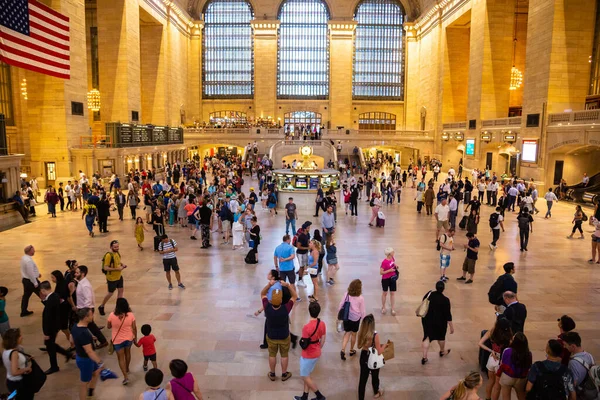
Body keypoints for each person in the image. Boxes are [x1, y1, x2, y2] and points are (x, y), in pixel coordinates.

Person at [261, 281, 297, 382]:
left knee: (272, 354)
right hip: (284, 335)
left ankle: (272, 374)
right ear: (281, 300)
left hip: (271, 336)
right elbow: (294, 296)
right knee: (284, 355)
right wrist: (288, 286)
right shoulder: (286, 308)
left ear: (271, 300)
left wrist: (269, 285)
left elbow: (262, 294)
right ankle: (284, 374)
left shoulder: (267, 307)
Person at [294, 302, 327, 400]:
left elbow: (304, 343)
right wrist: (319, 348)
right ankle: (305, 396)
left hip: (308, 355)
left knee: (304, 376)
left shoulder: (306, 327)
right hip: (317, 352)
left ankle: (319, 396)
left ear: (309, 311)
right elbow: (323, 339)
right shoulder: (322, 324)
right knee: (307, 374)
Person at [39, 280, 73, 374]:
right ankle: (67, 354)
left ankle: (54, 366)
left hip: (51, 328)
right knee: (50, 344)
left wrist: (46, 333)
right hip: (55, 326)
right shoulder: (55, 296)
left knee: (50, 346)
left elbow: (47, 318)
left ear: (42, 290)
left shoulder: (51, 300)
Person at [71, 308, 104, 400]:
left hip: (82, 357)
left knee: (96, 372)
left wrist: (89, 338)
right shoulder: (83, 333)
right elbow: (89, 351)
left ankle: (91, 391)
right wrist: (100, 362)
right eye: (91, 315)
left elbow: (71, 341)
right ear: (86, 317)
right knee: (84, 383)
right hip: (85, 360)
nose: (92, 316)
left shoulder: (75, 326)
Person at [479, 318, 513, 400]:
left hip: (492, 359)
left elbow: (480, 343)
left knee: (490, 381)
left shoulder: (492, 332)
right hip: (502, 361)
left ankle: (487, 398)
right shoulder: (509, 336)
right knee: (497, 386)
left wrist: (491, 350)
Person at [74, 266, 108, 348]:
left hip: (85, 309)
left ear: (83, 274)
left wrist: (85, 312)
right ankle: (101, 341)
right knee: (91, 326)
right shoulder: (81, 282)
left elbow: (88, 300)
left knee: (90, 326)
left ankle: (100, 341)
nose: (75, 274)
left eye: (77, 272)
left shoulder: (85, 285)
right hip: (84, 309)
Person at [421, 281, 453, 365]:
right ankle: (442, 351)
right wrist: (451, 326)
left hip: (427, 320)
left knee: (427, 337)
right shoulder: (445, 300)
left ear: (436, 287)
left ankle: (424, 357)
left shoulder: (430, 294)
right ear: (443, 289)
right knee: (441, 337)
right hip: (440, 322)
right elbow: (448, 314)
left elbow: (423, 301)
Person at [107, 297, 137, 385]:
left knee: (121, 358)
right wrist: (135, 339)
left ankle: (125, 377)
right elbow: (134, 328)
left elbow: (108, 326)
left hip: (117, 340)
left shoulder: (112, 315)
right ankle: (127, 368)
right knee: (128, 353)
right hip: (129, 338)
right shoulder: (130, 315)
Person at [357, 314, 387, 400]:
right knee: (375, 376)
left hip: (363, 356)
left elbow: (359, 346)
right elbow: (379, 352)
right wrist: (384, 346)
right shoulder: (375, 335)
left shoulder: (361, 332)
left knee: (362, 380)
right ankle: (376, 392)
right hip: (373, 357)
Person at [497, 332, 532, 400]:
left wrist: (498, 375)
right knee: (521, 396)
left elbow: (502, 365)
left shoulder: (507, 351)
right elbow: (528, 367)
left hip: (508, 376)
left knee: (506, 397)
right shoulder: (528, 354)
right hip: (521, 378)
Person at [2, 328, 34, 400]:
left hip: (10, 382)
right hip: (18, 383)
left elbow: (11, 362)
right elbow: (14, 371)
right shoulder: (14, 353)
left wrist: (27, 359)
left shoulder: (5, 351)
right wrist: (26, 369)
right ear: (15, 339)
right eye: (19, 336)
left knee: (15, 396)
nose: (22, 337)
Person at [339, 279, 366, 361]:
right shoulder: (360, 298)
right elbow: (362, 310)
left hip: (346, 317)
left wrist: (340, 312)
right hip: (355, 319)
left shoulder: (346, 294)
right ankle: (351, 350)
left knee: (347, 333)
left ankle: (343, 349)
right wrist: (363, 318)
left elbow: (341, 304)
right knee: (354, 334)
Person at [98, 240, 127, 316]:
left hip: (119, 276)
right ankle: (102, 306)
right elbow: (106, 268)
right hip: (112, 278)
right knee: (110, 293)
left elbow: (118, 261)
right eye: (115, 247)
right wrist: (117, 269)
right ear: (111, 247)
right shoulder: (108, 255)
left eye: (117, 246)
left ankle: (118, 308)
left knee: (121, 291)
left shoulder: (117, 253)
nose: (117, 248)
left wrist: (122, 264)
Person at [20, 245, 41, 317]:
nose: (34, 251)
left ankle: (23, 311)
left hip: (25, 280)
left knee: (26, 296)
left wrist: (37, 274)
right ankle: (50, 309)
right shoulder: (28, 261)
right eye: (33, 250)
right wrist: (35, 282)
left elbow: (28, 270)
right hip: (31, 281)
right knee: (43, 294)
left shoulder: (24, 258)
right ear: (29, 251)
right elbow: (30, 272)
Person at [380, 247, 398, 315]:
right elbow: (381, 272)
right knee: (385, 293)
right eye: (393, 252)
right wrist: (389, 271)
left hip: (392, 278)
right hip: (385, 279)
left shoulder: (392, 258)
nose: (394, 252)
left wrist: (396, 266)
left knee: (392, 293)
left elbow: (393, 263)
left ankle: (393, 308)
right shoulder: (384, 262)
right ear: (390, 254)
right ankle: (383, 307)